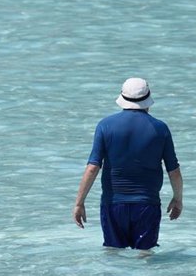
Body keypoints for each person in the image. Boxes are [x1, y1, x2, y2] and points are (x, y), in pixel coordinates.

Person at [73, 77, 183, 251]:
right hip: (147, 205)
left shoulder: (105, 126)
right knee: (145, 255)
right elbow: (174, 171)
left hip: (113, 204)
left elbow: (93, 168)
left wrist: (79, 203)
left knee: (113, 254)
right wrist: (178, 199)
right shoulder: (160, 128)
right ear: (148, 99)